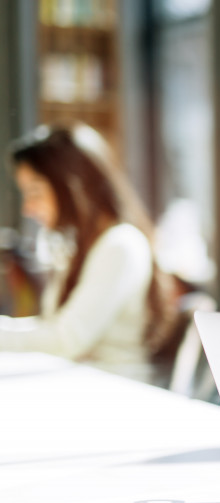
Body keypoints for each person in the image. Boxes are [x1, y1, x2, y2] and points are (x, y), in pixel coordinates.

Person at [1, 123, 175, 381]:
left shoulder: (121, 245)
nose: (28, 208)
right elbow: (55, 329)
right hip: (83, 383)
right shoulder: (86, 246)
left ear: (73, 185)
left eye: (34, 192)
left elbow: (68, 340)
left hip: (115, 393)